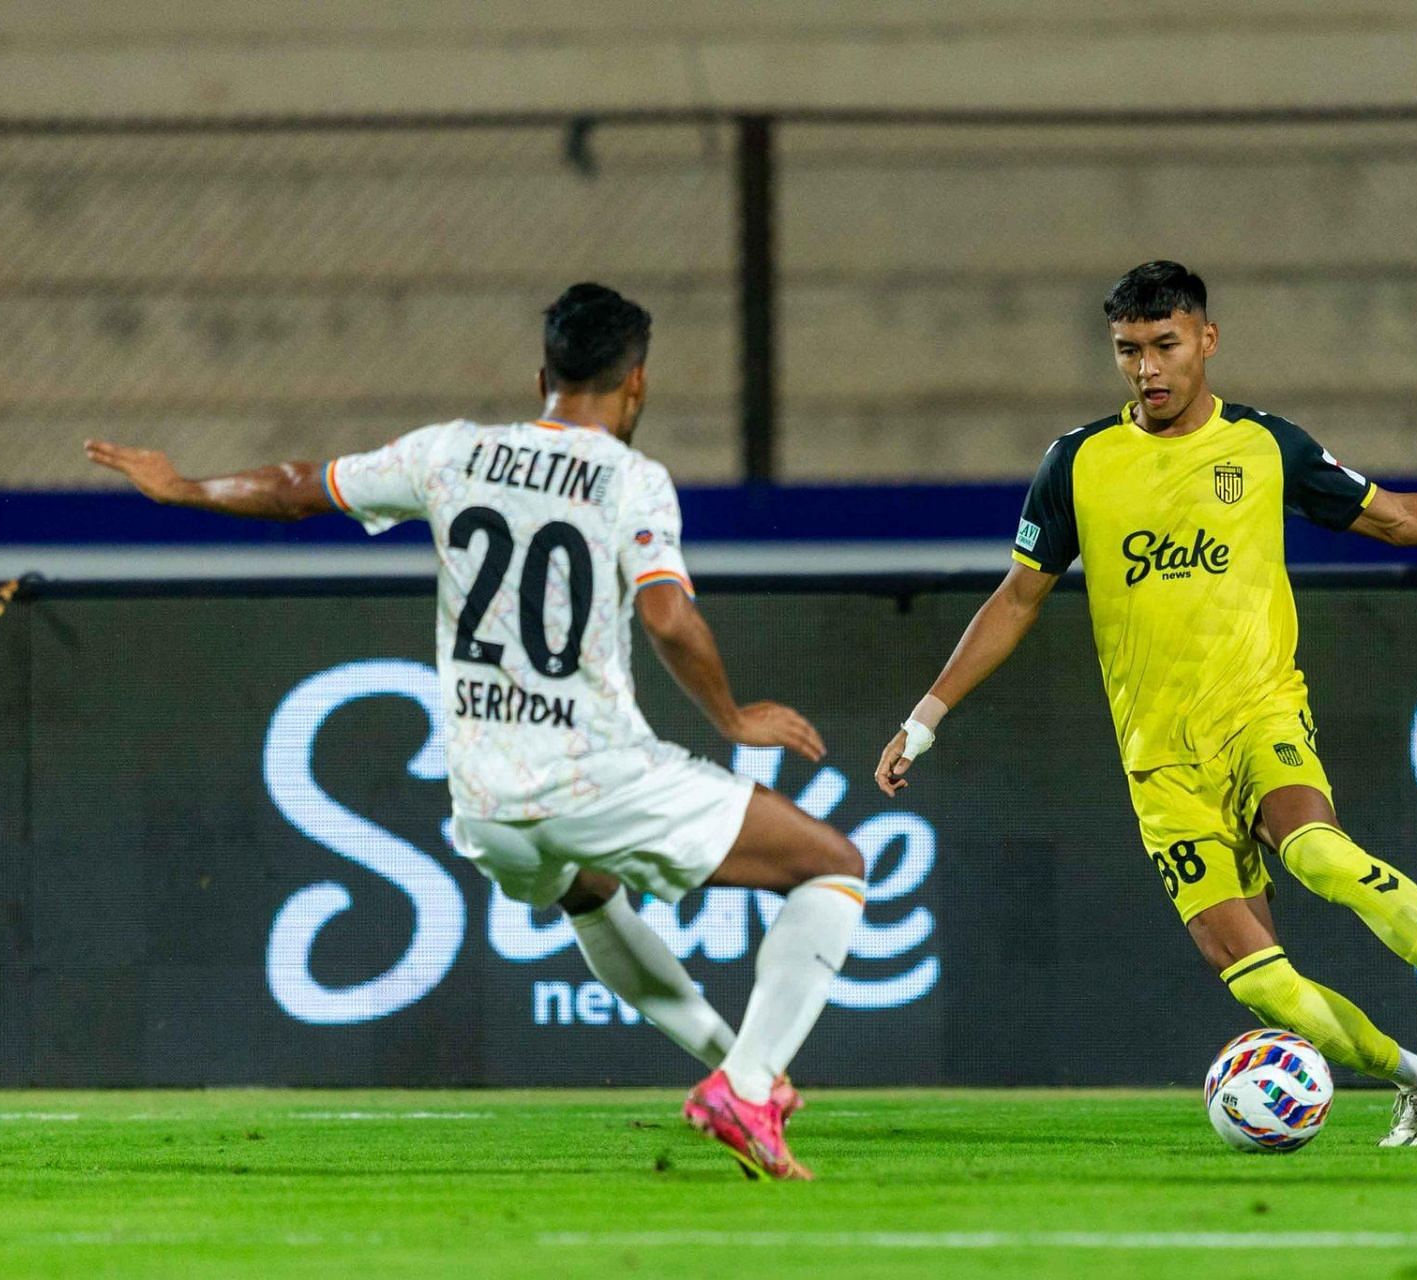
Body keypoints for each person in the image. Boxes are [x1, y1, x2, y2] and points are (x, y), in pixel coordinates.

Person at [86, 282, 863, 1182]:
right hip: (596, 775)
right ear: (637, 384)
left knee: (585, 890)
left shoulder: (452, 455)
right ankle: (749, 1082)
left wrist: (183, 489)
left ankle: (735, 1065)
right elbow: (668, 620)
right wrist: (733, 718)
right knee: (833, 868)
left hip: (485, 804)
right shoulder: (631, 479)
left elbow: (299, 488)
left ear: (544, 375)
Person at [876, 261, 1417, 1147]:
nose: (1147, 368)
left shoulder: (1266, 447)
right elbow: (1018, 597)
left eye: (1164, 346)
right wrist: (925, 718)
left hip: (1259, 714)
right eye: (1128, 351)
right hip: (1158, 761)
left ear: (1207, 341)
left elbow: (1397, 519)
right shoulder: (1077, 463)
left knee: (1320, 857)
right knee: (1256, 979)